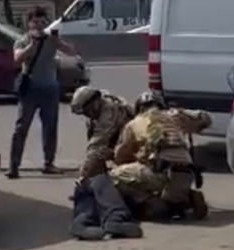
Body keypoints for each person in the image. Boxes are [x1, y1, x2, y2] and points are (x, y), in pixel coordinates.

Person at [110, 91, 211, 221]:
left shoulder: (134, 123)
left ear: (140, 107)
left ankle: (150, 200)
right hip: (187, 173)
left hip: (159, 173)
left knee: (113, 177)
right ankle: (185, 197)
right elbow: (206, 119)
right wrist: (183, 112)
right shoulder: (175, 116)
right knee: (172, 196)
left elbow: (120, 157)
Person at [7, 7, 77, 179]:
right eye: (35, 22)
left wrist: (57, 40)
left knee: (50, 127)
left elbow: (72, 52)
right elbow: (17, 60)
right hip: (30, 89)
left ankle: (49, 163)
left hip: (50, 89)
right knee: (21, 127)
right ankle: (14, 166)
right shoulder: (22, 41)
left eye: (42, 22)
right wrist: (32, 46)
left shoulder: (51, 39)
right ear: (29, 23)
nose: (38, 25)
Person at [70, 86, 134, 179]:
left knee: (98, 156)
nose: (87, 115)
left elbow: (97, 143)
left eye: (87, 111)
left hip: (130, 144)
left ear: (94, 103)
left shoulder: (108, 112)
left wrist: (84, 173)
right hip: (119, 140)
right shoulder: (96, 112)